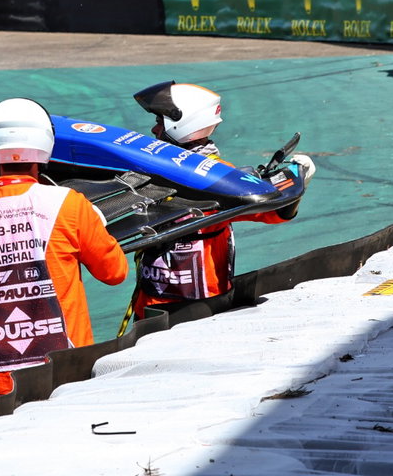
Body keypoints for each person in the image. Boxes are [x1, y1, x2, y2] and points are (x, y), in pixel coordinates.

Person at [0, 98, 128, 403]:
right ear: (45, 145)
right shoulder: (67, 204)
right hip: (58, 377)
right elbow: (115, 272)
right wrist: (95, 224)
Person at [127, 81, 315, 319]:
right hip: (157, 298)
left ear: (180, 124)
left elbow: (272, 210)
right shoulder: (201, 169)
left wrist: (297, 181)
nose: (154, 130)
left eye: (159, 122)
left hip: (194, 304)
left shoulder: (215, 175)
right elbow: (275, 211)